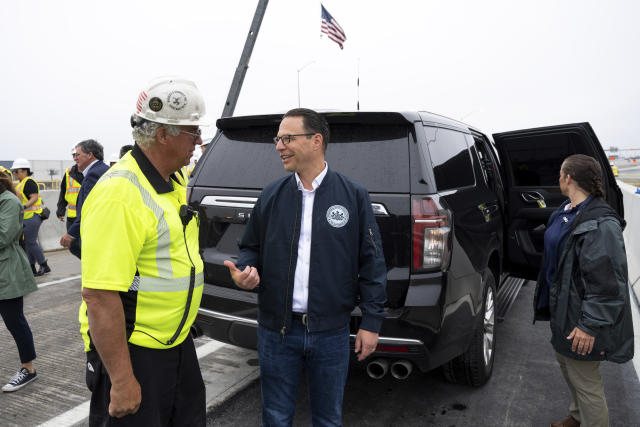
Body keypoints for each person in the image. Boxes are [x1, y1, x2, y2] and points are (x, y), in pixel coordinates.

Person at [224, 108, 387, 426]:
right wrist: (244, 271)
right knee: (276, 416)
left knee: (328, 419)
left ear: (316, 141)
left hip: (331, 333)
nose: (278, 146)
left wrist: (371, 321)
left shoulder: (352, 195)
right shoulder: (272, 194)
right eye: (278, 139)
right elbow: (250, 247)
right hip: (276, 332)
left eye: (287, 138)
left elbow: (372, 262)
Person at [79, 76, 208, 426]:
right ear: (163, 134)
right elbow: (100, 296)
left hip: (176, 344)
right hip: (137, 354)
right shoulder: (120, 194)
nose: (198, 142)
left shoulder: (173, 181)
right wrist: (121, 382)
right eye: (192, 132)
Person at [534, 154, 634, 427]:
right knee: (568, 366)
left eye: (560, 174)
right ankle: (577, 417)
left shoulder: (600, 223)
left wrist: (590, 325)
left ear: (568, 178)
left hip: (582, 315)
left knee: (587, 382)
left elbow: (607, 282)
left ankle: (588, 418)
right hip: (563, 307)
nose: (558, 179)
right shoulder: (567, 211)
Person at [0, 170, 38, 392]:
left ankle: (28, 369)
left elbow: (4, 236)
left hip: (7, 270)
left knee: (15, 321)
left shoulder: (9, 202)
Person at [60, 140, 109, 259]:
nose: (75, 159)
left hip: (98, 231)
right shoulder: (102, 169)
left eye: (77, 155)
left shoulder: (94, 174)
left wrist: (71, 233)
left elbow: (90, 209)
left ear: (90, 155)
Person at [12, 158, 50, 276]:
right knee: (28, 243)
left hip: (32, 216)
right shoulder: (21, 184)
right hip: (27, 217)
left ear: (24, 171)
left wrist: (24, 206)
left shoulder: (29, 182)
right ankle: (31, 266)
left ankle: (43, 264)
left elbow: (34, 197)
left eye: (16, 171)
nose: (14, 174)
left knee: (31, 242)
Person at [56, 147, 84, 231]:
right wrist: (60, 210)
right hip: (72, 217)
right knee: (72, 243)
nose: (75, 158)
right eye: (73, 155)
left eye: (77, 155)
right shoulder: (69, 172)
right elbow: (63, 192)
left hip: (87, 215)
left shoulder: (92, 172)